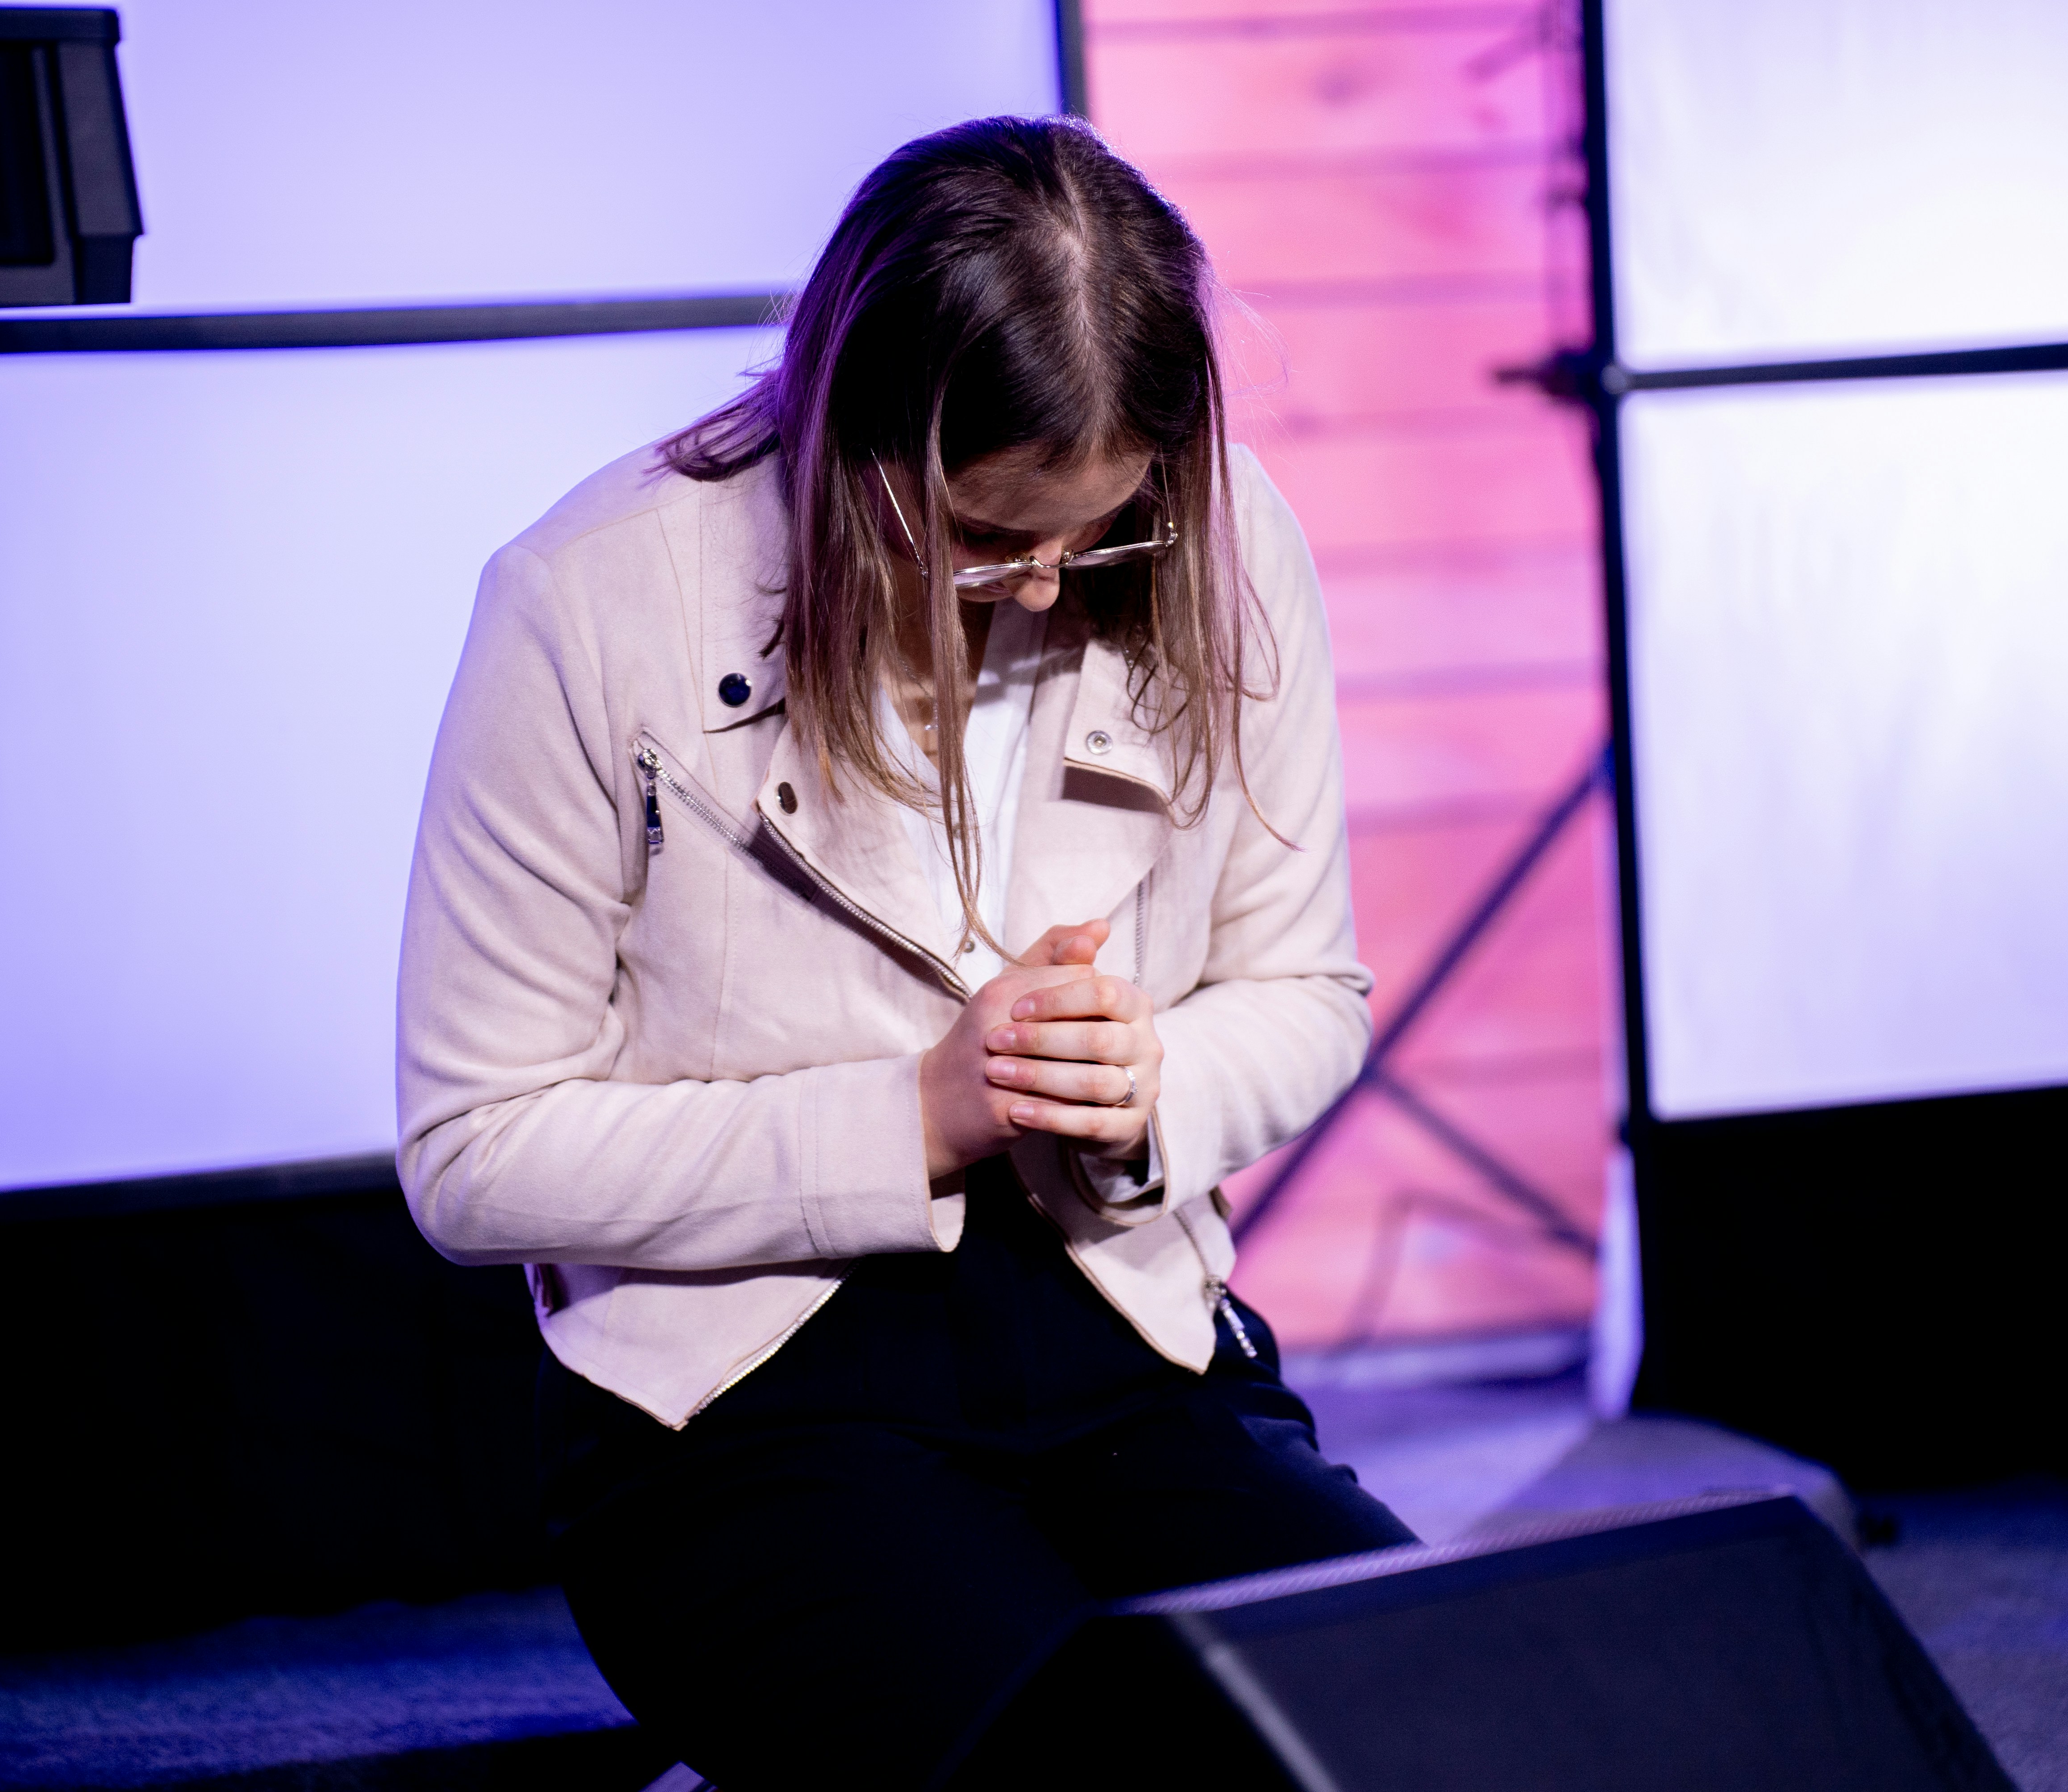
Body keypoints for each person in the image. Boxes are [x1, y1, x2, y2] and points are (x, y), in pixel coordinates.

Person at [396, 115, 1414, 1790]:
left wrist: (1158, 1082)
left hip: (1127, 1344)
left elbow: (1309, 995)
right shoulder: (588, 603)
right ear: (851, 434)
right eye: (986, 532)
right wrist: (920, 1116)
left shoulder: (1232, 551)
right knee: (1072, 1766)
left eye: (1101, 533)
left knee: (1409, 1716)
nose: (1040, 586)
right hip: (734, 1400)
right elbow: (472, 1154)